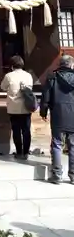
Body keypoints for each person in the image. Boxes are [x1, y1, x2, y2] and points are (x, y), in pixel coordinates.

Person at [40, 54, 74, 184]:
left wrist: (43, 112)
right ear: (71, 65)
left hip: (58, 114)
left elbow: (45, 98)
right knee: (73, 145)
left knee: (57, 144)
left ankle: (57, 175)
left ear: (60, 64)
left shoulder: (52, 78)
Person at [1, 55, 33, 160]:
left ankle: (19, 152)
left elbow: (3, 87)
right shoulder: (28, 75)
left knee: (16, 131)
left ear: (12, 66)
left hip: (13, 107)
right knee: (26, 130)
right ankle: (26, 152)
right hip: (26, 107)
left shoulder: (9, 76)